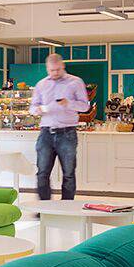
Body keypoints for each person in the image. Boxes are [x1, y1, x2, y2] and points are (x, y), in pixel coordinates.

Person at [29, 54, 90, 200]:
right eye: (52, 70)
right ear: (47, 69)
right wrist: (37, 110)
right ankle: (44, 206)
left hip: (67, 133)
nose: (55, 73)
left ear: (63, 66)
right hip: (46, 133)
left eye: (58, 69)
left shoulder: (75, 82)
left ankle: (66, 206)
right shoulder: (41, 85)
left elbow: (85, 106)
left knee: (68, 173)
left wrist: (69, 103)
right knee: (42, 173)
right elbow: (32, 107)